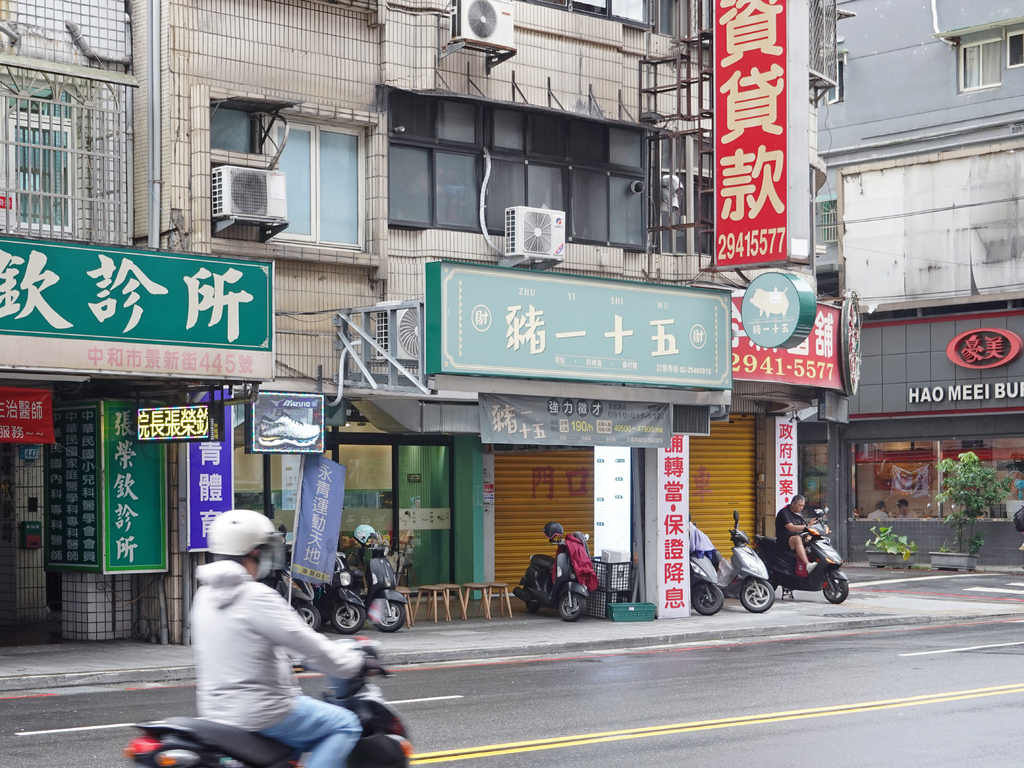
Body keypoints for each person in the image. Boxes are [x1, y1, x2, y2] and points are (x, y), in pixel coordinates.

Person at [192, 509, 378, 768]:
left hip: (217, 712)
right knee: (344, 726)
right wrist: (354, 665)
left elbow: (242, 647)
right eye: (266, 550)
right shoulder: (255, 596)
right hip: (264, 710)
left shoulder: (204, 596)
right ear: (254, 552)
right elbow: (308, 643)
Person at [776, 494, 817, 575]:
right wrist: (808, 526)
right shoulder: (784, 512)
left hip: (796, 537)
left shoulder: (799, 515)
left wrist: (808, 536)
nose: (801, 508)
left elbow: (805, 528)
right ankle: (807, 565)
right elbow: (790, 527)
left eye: (802, 506)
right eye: (799, 505)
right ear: (793, 504)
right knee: (797, 539)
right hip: (784, 539)